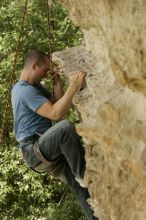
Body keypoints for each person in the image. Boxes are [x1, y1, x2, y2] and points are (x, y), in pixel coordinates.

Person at [11, 49, 98, 220]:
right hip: (34, 149)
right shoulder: (24, 91)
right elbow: (56, 116)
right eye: (44, 70)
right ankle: (84, 175)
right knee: (65, 128)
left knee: (81, 190)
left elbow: (59, 107)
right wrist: (73, 85)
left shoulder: (34, 87)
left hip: (45, 148)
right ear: (34, 66)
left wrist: (57, 84)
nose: (45, 75)